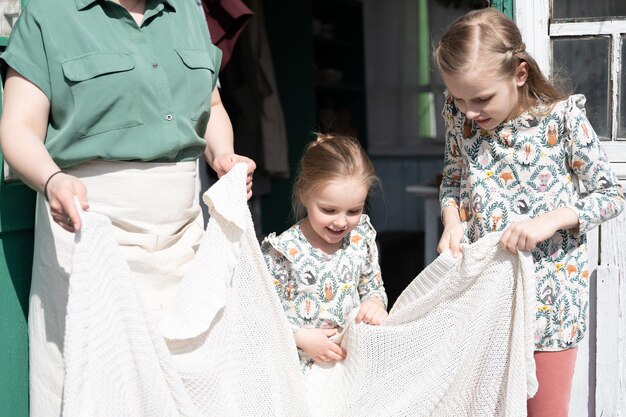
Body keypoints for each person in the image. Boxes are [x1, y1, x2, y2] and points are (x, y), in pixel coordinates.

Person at [0, 0, 255, 415]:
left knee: (192, 388)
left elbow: (212, 108)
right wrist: (51, 180)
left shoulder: (187, 10)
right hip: (88, 234)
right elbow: (18, 126)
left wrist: (223, 155)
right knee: (102, 390)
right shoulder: (50, 13)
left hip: (185, 240)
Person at [433, 8, 625, 417]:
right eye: (459, 98)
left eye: (481, 98)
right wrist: (452, 219)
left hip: (551, 300)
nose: (470, 111)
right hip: (485, 294)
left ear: (519, 74)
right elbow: (453, 180)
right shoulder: (461, 120)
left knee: (545, 412)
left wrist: (551, 219)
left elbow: (612, 194)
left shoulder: (563, 120)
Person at [261, 133, 388, 371]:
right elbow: (262, 312)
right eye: (329, 210)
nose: (341, 222)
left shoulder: (360, 238)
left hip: (350, 365)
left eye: (353, 211)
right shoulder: (284, 251)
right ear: (304, 194)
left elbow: (372, 286)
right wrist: (299, 338)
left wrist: (375, 304)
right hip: (300, 369)